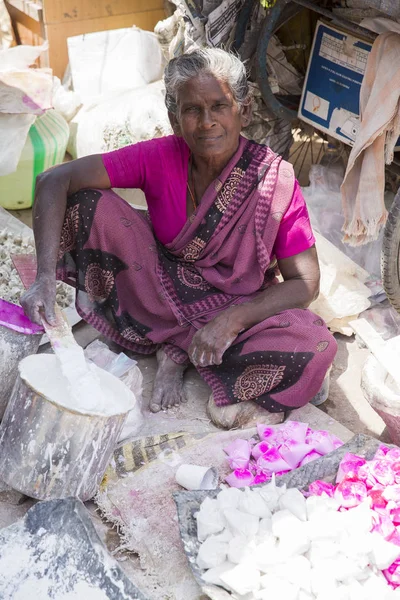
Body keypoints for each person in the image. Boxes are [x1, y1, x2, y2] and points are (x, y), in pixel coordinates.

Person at [21, 48, 337, 430]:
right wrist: (43, 279)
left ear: (245, 111)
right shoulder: (159, 157)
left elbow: (306, 283)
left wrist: (232, 322)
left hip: (234, 303)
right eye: (192, 110)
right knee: (86, 204)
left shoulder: (274, 180)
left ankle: (173, 347)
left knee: (314, 344)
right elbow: (54, 180)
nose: (207, 122)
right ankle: (177, 345)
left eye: (220, 106)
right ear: (175, 119)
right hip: (159, 288)